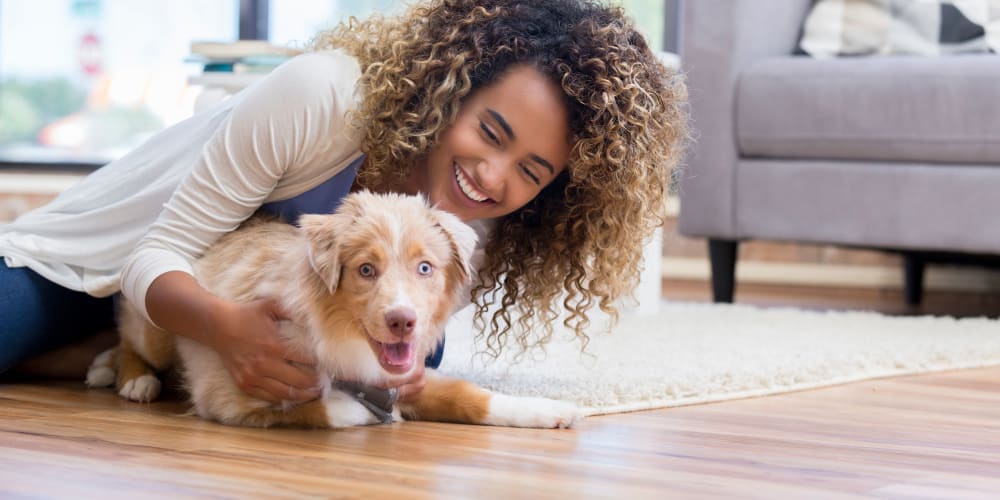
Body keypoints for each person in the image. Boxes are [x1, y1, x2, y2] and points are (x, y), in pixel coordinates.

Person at [0, 0, 688, 404]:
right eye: (490, 131)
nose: (491, 176)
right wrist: (227, 329)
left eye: (531, 171)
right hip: (90, 261)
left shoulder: (476, 228)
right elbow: (157, 251)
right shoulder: (323, 97)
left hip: (184, 308)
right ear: (452, 90)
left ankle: (106, 356)